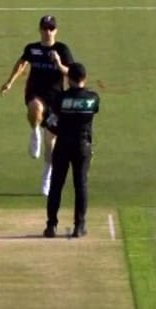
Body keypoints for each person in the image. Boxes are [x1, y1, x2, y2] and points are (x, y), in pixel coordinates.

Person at [0, 15, 74, 196]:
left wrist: (59, 64)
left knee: (51, 144)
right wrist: (9, 82)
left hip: (56, 100)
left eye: (51, 28)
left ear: (55, 30)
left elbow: (71, 72)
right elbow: (22, 63)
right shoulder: (33, 49)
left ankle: (46, 177)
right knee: (35, 108)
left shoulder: (62, 49)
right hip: (35, 93)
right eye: (44, 28)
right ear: (40, 30)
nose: (47, 32)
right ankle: (34, 132)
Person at [43, 62, 100, 238]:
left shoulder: (60, 99)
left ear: (68, 78)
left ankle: (51, 226)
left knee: (56, 184)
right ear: (85, 78)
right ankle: (79, 226)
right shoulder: (93, 98)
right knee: (80, 184)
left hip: (63, 144)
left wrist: (59, 129)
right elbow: (93, 111)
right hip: (83, 145)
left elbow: (51, 122)